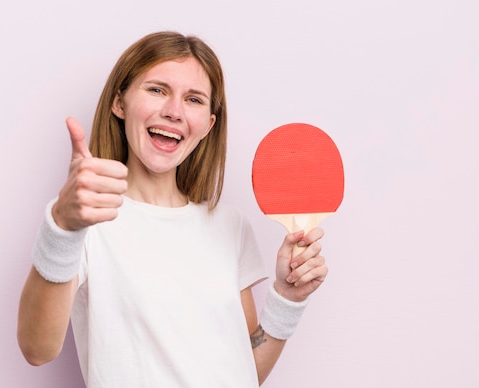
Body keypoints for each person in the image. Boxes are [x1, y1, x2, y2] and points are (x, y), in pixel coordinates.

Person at [17, 31, 328, 387]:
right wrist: (63, 227)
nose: (174, 112)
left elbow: (245, 370)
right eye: (157, 90)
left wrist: (287, 298)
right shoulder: (84, 221)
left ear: (208, 125)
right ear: (119, 103)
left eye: (194, 99)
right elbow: (36, 349)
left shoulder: (229, 225)